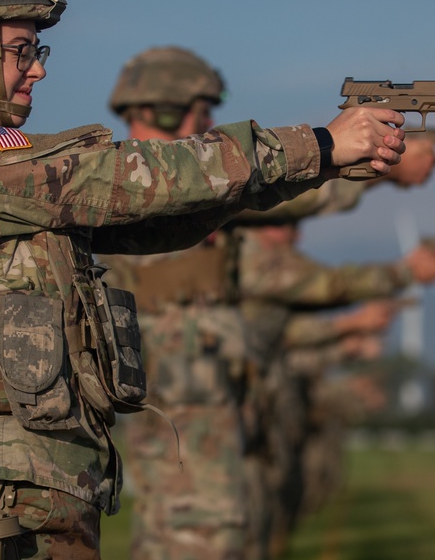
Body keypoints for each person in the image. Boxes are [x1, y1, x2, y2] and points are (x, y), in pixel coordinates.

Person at [0, 0, 406, 560]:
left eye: (37, 51)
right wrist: (316, 144)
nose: (39, 70)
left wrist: (311, 169)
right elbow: (127, 178)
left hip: (20, 486)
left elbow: (152, 221)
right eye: (21, 50)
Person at [100, 46, 254, 560]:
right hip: (178, 416)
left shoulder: (178, 186)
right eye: (202, 111)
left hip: (196, 410)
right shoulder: (131, 185)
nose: (210, 125)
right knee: (190, 533)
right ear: (164, 110)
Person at [237, 221, 435, 557]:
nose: (298, 237)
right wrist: (358, 321)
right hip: (255, 419)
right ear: (272, 229)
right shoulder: (258, 264)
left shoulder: (261, 269)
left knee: (268, 519)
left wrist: (352, 335)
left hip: (268, 419)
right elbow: (301, 325)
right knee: (250, 521)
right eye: (291, 227)